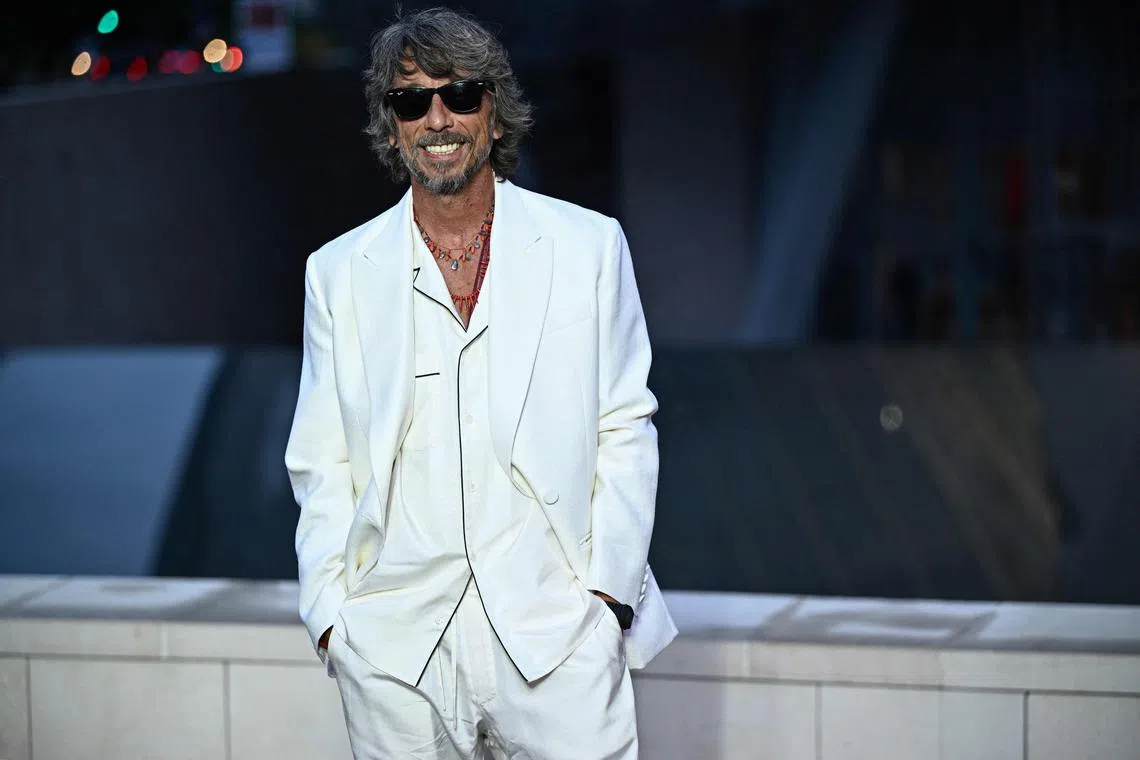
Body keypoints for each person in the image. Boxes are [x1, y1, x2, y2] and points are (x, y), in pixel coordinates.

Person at [284, 7, 676, 758]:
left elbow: (626, 423)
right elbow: (320, 460)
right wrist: (334, 618)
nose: (438, 117)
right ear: (391, 126)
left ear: (495, 114)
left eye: (460, 94)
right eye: (411, 100)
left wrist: (606, 599)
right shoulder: (337, 273)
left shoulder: (588, 247)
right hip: (395, 649)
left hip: (555, 640)